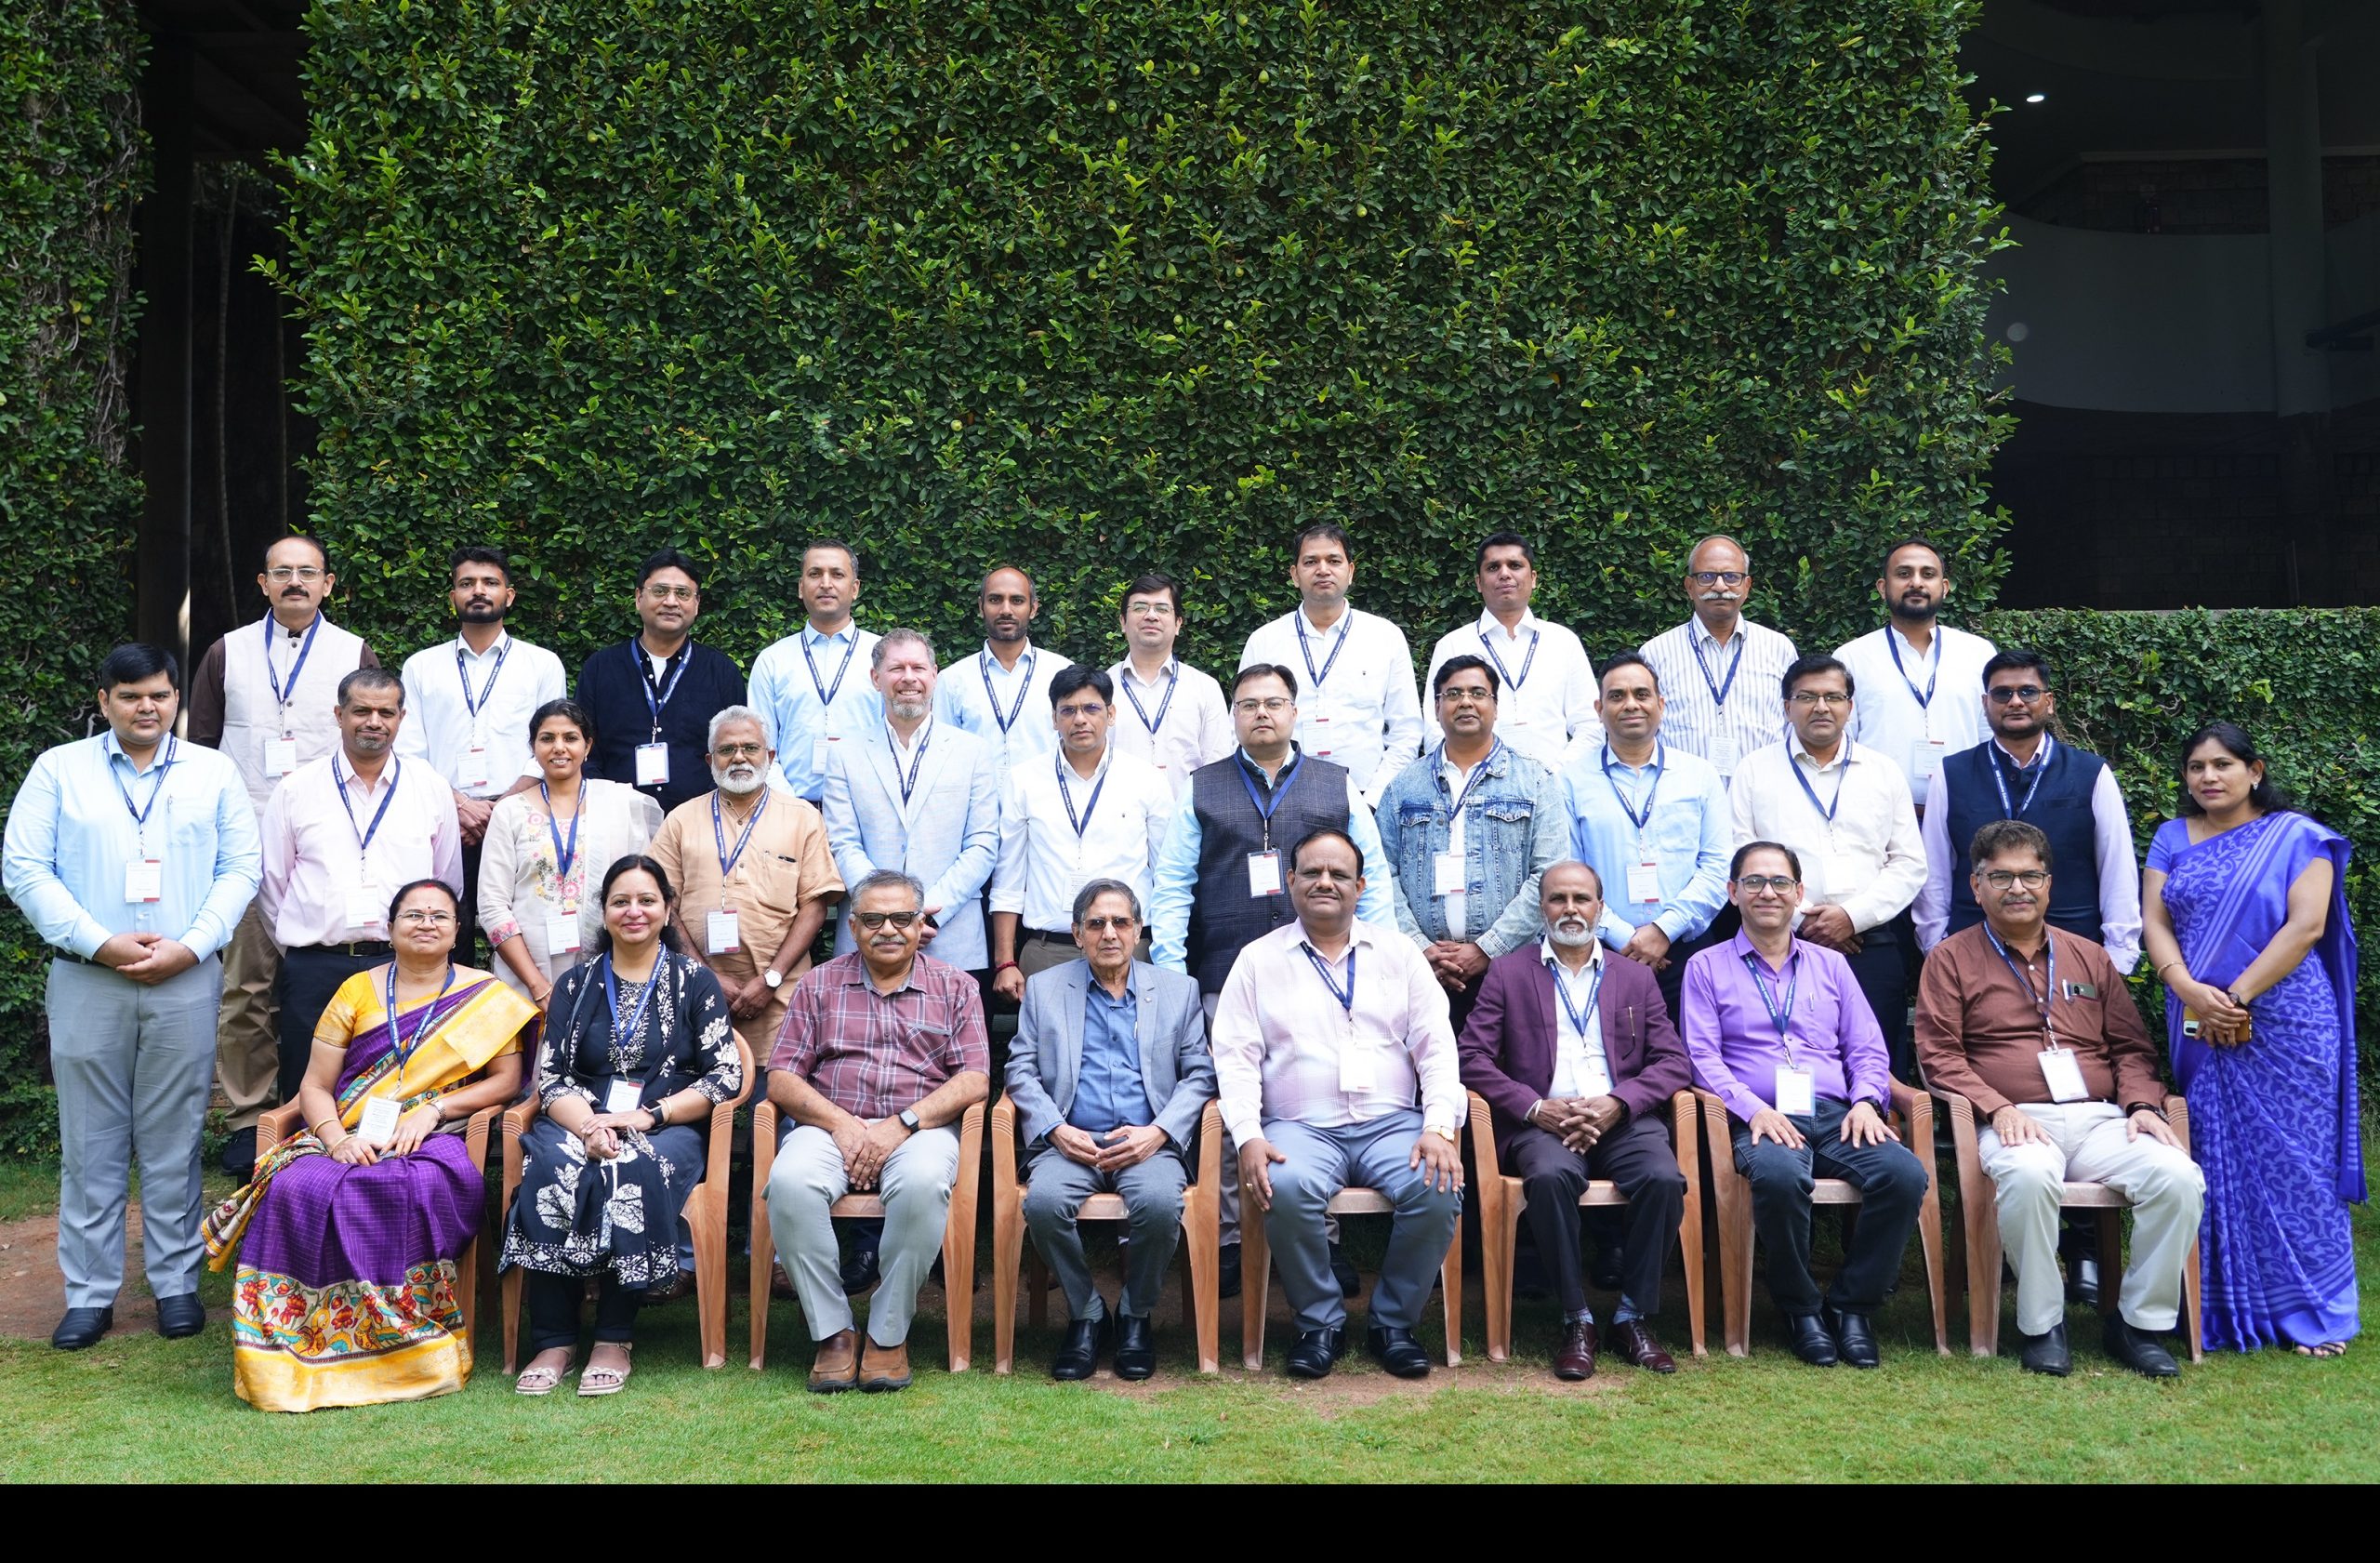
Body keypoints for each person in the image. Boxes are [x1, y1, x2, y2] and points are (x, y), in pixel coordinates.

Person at [5, 643, 260, 1351]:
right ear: (105, 700)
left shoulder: (213, 771)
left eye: (159, 695)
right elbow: (25, 868)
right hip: (89, 977)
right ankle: (89, 1294)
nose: (146, 707)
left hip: (184, 976)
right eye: (130, 695)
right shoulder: (60, 769)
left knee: (175, 1137)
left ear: (176, 699)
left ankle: (176, 1285)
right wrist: (100, 943)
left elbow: (241, 868)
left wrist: (192, 944)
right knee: (90, 1141)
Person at [202, 880, 535, 1410]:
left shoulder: (488, 996)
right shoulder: (357, 990)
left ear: (457, 932)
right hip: (348, 1131)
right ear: (390, 928)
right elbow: (314, 1086)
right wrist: (334, 1139)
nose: (426, 924)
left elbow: (507, 1081)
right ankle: (289, 1354)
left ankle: (406, 1354)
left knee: (407, 1186)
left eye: (439, 916)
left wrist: (434, 1109)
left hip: (436, 1134)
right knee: (294, 1188)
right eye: (413, 915)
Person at [1915, 821, 2202, 1379]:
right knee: (2027, 1176)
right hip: (2013, 1119)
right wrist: (1998, 1107)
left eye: (2030, 876)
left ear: (2049, 883)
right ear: (1976, 886)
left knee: (2178, 1177)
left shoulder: (2090, 957)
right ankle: (2043, 1324)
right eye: (2001, 877)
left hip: (2100, 1121)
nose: (2017, 888)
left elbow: (2131, 1048)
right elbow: (1939, 1056)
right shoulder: (1949, 959)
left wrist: (2142, 1106)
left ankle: (2138, 1324)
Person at [1147, 664, 1396, 1291]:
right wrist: (1173, 979)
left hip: (1322, 974)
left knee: (1317, 1100)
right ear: (1233, 715)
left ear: (1294, 712)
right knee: (1226, 1105)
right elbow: (1172, 886)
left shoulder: (1336, 785)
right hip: (1222, 975)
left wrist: (1377, 961)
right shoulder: (1202, 787)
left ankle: (1320, 1237)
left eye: (1274, 703)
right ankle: (1231, 1240)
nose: (1262, 713)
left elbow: (1373, 881)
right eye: (1249, 704)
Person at [2142, 722, 2361, 1358]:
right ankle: (2221, 1304)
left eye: (2223, 764)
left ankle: (2314, 1312)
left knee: (2299, 1163)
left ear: (2254, 770)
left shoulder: (2298, 837)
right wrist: (2189, 988)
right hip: (2196, 1015)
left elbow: (2306, 926)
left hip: (2288, 1020)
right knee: (2215, 1158)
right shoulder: (2171, 837)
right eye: (2196, 767)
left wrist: (2234, 997)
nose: (2208, 777)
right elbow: (2154, 920)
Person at [1212, 828, 1465, 1379]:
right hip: (1299, 1127)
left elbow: (1437, 1047)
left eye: (1339, 874)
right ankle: (1319, 1323)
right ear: (1290, 881)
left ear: (1360, 886)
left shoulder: (1399, 954)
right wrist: (1248, 1134)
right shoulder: (1258, 961)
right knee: (1284, 1185)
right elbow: (1234, 1057)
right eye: (1312, 872)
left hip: (1391, 1124)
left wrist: (1439, 1126)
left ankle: (1392, 1324)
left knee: (1436, 1185)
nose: (1325, 882)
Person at [501, 855, 744, 1397]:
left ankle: (614, 1335)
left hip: (664, 1125)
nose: (634, 911)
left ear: (667, 910)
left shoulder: (695, 982)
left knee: (627, 1168)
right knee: (554, 1167)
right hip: (577, 1120)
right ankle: (554, 1339)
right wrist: (590, 1126)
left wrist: (648, 1115)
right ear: (605, 912)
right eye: (621, 901)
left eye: (646, 900)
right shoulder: (575, 983)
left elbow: (725, 1075)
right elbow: (552, 1076)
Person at [1681, 841, 1928, 1369]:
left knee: (1903, 1175)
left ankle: (1853, 1306)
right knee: (1778, 1177)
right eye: (1753, 882)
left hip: (1838, 1114)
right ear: (1732, 893)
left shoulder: (1831, 964)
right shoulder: (1705, 966)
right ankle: (1801, 1308)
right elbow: (1701, 1058)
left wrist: (1868, 1101)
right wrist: (1753, 1109)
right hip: (1759, 1117)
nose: (1767, 893)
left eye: (1779, 882)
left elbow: (1866, 1048)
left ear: (1799, 893)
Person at [186, 534, 381, 1177]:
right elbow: (202, 747)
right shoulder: (226, 651)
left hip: (329, 842)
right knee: (247, 987)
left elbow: (373, 741)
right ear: (263, 582)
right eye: (282, 572)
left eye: (307, 572)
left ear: (328, 583)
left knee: (325, 988)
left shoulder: (353, 651)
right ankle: (249, 1118)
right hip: (244, 839)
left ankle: (322, 1110)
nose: (295, 582)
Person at [1458, 862, 1691, 1377]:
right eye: (1558, 899)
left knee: (1662, 1179)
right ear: (1541, 908)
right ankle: (1576, 1318)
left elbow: (1673, 1062)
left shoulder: (1634, 976)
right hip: (1544, 1121)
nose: (1570, 909)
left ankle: (1632, 1316)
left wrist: (1619, 1102)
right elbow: (1472, 1057)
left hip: (1622, 1118)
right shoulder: (1508, 972)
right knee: (1549, 1178)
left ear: (1600, 908)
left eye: (1581, 899)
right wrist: (1535, 1107)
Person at [765, 870, 992, 1393]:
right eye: (872, 919)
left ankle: (889, 1334)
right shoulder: (819, 984)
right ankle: (834, 1332)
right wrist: (842, 1124)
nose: (887, 929)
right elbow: (781, 1077)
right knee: (791, 1182)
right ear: (853, 926)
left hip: (919, 1128)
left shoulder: (956, 986)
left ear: (920, 924)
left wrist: (902, 1124)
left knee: (922, 1184)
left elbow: (975, 1079)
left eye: (901, 918)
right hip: (830, 1125)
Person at [1005, 880, 1214, 1381]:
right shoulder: (1045, 989)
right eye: (1096, 924)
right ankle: (1088, 1313)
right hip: (1071, 1142)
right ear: (1077, 934)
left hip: (1148, 1144)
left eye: (1121, 922)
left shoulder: (1177, 990)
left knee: (1160, 1205)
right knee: (1044, 1204)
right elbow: (1019, 1070)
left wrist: (1158, 1132)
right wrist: (1056, 1129)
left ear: (1138, 930)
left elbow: (1201, 1075)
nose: (1109, 933)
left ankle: (1136, 1312)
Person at [259, 668, 463, 1117]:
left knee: (398, 1089)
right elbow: (273, 884)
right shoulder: (296, 789)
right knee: (304, 1094)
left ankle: (389, 1164)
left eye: (386, 712)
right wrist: (303, 946)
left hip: (404, 966)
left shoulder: (429, 787)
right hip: (317, 967)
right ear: (339, 715)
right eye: (361, 711)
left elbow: (445, 881)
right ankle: (302, 1164)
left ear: (401, 717)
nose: (374, 722)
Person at [1729, 654, 1924, 1073]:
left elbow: (1909, 862)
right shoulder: (1754, 771)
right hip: (1782, 944)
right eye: (1807, 697)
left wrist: (1851, 918)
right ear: (1787, 707)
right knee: (1788, 1064)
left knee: (1877, 1068)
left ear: (1850, 706)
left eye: (1833, 697)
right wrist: (1805, 921)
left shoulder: (1883, 772)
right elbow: (1741, 857)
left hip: (1869, 942)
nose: (1821, 707)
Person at [1917, 649, 2142, 971]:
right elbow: (1935, 870)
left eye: (2027, 692)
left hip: (2073, 950)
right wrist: (1936, 947)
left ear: (2049, 702)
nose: (2015, 701)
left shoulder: (2091, 773)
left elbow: (2116, 867)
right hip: (1972, 955)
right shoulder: (1951, 773)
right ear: (1986, 704)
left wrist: (2117, 958)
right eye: (2002, 693)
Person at [1374, 654, 1565, 1027]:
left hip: (1512, 967)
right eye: (1453, 694)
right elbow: (1382, 873)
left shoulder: (1535, 780)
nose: (1465, 702)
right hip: (1422, 972)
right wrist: (1420, 949)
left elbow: (1549, 875)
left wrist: (1487, 949)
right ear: (1436, 707)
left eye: (1478, 693)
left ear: (1495, 705)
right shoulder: (1403, 786)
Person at [394, 546, 566, 957]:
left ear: (509, 594)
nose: (478, 591)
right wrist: (458, 804)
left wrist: (500, 809)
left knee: (523, 930)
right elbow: (410, 750)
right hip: (444, 818)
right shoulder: (421, 666)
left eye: (490, 582)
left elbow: (551, 747)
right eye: (467, 583)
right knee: (443, 932)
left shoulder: (542, 664)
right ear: (453, 595)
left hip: (521, 816)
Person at [648, 707, 843, 1064]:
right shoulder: (680, 820)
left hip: (780, 998)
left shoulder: (803, 818)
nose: (739, 757)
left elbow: (814, 907)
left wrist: (770, 979)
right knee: (695, 1088)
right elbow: (661, 904)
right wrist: (705, 977)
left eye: (750, 748)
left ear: (770, 756)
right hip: (693, 993)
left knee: (775, 1092)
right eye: (727, 750)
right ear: (710, 760)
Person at [1564, 653, 1731, 1024]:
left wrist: (1663, 929)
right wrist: (1622, 935)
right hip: (1604, 951)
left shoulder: (1699, 775)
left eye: (1641, 694)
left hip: (1688, 950)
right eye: (1617, 696)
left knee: (1693, 1054)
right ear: (1599, 709)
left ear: (1661, 704)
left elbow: (1718, 866)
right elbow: (1568, 872)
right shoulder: (1571, 781)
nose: (1631, 705)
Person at [822, 629, 1000, 974]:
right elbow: (842, 843)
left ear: (934, 675)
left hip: (948, 934)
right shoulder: (845, 754)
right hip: (869, 935)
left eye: (918, 668)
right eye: (896, 668)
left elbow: (982, 844)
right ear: (876, 678)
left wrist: (925, 913)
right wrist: (886, 914)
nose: (908, 678)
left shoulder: (973, 751)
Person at [991, 666, 1172, 1001]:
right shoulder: (1024, 780)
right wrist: (1005, 961)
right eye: (1068, 710)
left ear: (1111, 714)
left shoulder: (1147, 779)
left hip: (1130, 949)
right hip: (1049, 950)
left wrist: (1169, 957)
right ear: (1054, 718)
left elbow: (1168, 877)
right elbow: (1008, 877)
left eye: (1091, 708)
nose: (1080, 720)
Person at [480, 698, 665, 1008]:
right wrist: (538, 987)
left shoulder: (620, 803)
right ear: (533, 747)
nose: (559, 747)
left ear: (587, 746)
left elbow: (643, 893)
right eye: (547, 738)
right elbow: (492, 905)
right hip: (526, 981)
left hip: (611, 974)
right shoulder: (509, 812)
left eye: (570, 737)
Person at [1237, 522, 1421, 808]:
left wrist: (1374, 801)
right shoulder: (1264, 641)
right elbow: (1242, 724)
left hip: (1366, 798)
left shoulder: (1385, 637)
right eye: (1311, 561)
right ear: (1294, 575)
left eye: (1334, 561)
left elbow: (1406, 731)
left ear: (1350, 571)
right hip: (1280, 800)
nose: (1323, 570)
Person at [575, 549, 747, 815]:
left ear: (696, 604)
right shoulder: (600, 668)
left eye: (683, 593)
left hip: (701, 821)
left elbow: (734, 751)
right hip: (615, 818)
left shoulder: (722, 673)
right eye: (660, 591)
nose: (671, 601)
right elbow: (584, 749)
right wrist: (605, 804)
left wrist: (708, 814)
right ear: (638, 598)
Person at [1832, 538, 1995, 813]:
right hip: (1878, 813)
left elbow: (1990, 737)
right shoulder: (1851, 657)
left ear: (1944, 587)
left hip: (1963, 812)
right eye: (1904, 573)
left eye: (1928, 574)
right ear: (1882, 588)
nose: (1916, 583)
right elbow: (1841, 743)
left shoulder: (1978, 653)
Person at [1420, 534, 1599, 771]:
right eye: (1493, 567)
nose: (1504, 574)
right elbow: (1435, 728)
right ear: (1478, 582)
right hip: (1474, 785)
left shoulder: (1563, 642)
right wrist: (1472, 777)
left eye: (1515, 565)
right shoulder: (1453, 645)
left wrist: (1553, 777)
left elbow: (1590, 725)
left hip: (1557, 784)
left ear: (1533, 578)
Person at [1636, 534, 1798, 786]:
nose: (1720, 586)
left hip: (1764, 793)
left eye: (1731, 577)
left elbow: (1794, 726)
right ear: (1689, 586)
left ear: (1747, 585)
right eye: (1707, 577)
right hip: (1681, 794)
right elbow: (1643, 733)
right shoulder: (1655, 653)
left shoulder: (1779, 649)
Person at [747, 539, 881, 804]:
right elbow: (759, 745)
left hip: (868, 808)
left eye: (837, 574)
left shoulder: (883, 655)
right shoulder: (773, 660)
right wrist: (793, 806)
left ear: (855, 588)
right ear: (801, 587)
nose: (826, 583)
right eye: (815, 574)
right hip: (791, 808)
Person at [1105, 571, 1234, 797]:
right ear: (1123, 622)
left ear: (1178, 624)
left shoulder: (1205, 688)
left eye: (1162, 609)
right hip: (1118, 815)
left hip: (1188, 816)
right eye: (1140, 607)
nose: (1151, 616)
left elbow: (1219, 769)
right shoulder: (1102, 689)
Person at [935, 564, 1072, 774]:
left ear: (1033, 609)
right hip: (975, 794)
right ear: (981, 607)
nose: (1006, 610)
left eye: (1017, 600)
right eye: (995, 599)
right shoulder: (952, 680)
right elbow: (942, 754)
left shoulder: (1061, 672)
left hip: (1045, 793)